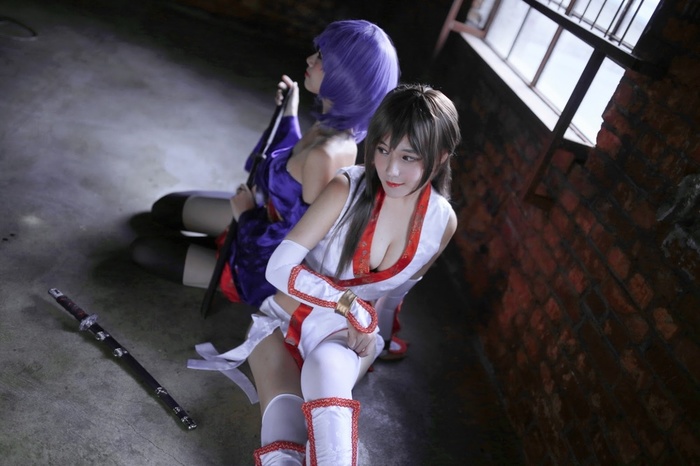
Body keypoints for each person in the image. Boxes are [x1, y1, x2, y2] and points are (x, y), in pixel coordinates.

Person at [187, 84, 462, 465]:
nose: (391, 169)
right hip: (282, 323)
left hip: (345, 338)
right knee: (283, 445)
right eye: (382, 150)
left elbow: (395, 296)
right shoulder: (347, 187)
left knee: (326, 365)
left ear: (440, 156)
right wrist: (352, 307)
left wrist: (382, 337)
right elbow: (279, 268)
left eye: (408, 156)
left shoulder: (441, 223)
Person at [129, 20, 400, 311]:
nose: (310, 59)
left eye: (321, 57)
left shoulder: (326, 153)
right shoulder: (329, 130)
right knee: (165, 209)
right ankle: (215, 242)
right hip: (260, 215)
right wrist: (289, 113)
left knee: (145, 250)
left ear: (346, 78)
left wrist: (246, 216)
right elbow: (293, 168)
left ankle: (223, 265)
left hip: (259, 261)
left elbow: (294, 246)